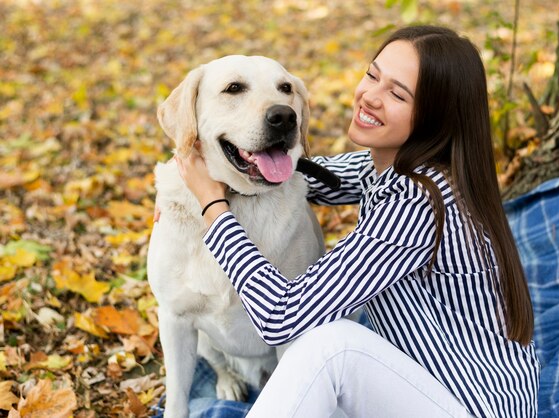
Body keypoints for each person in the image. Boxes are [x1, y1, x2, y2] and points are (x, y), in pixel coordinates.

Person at [172, 25, 540, 418]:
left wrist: (213, 205)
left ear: (433, 119)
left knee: (331, 344)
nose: (371, 97)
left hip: (467, 406)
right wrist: (194, 180)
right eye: (372, 75)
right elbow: (298, 178)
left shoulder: (417, 204)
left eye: (397, 94)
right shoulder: (396, 168)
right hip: (416, 386)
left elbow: (282, 316)